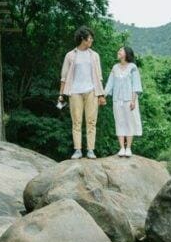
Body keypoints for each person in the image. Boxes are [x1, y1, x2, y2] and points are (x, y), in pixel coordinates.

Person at [58, 26, 106, 159]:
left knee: (91, 122)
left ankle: (90, 150)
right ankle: (78, 150)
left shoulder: (94, 55)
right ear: (82, 39)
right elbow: (64, 76)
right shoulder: (70, 55)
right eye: (90, 38)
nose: (92, 40)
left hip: (91, 91)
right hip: (74, 92)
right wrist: (61, 95)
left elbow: (99, 76)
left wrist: (101, 95)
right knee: (76, 122)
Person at [103, 46, 142, 157]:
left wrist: (133, 100)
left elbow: (136, 85)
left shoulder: (132, 67)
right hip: (117, 100)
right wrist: (103, 96)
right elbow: (109, 84)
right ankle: (121, 148)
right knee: (119, 122)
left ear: (126, 53)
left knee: (130, 123)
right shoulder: (115, 67)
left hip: (130, 100)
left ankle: (128, 148)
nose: (118, 52)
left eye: (120, 50)